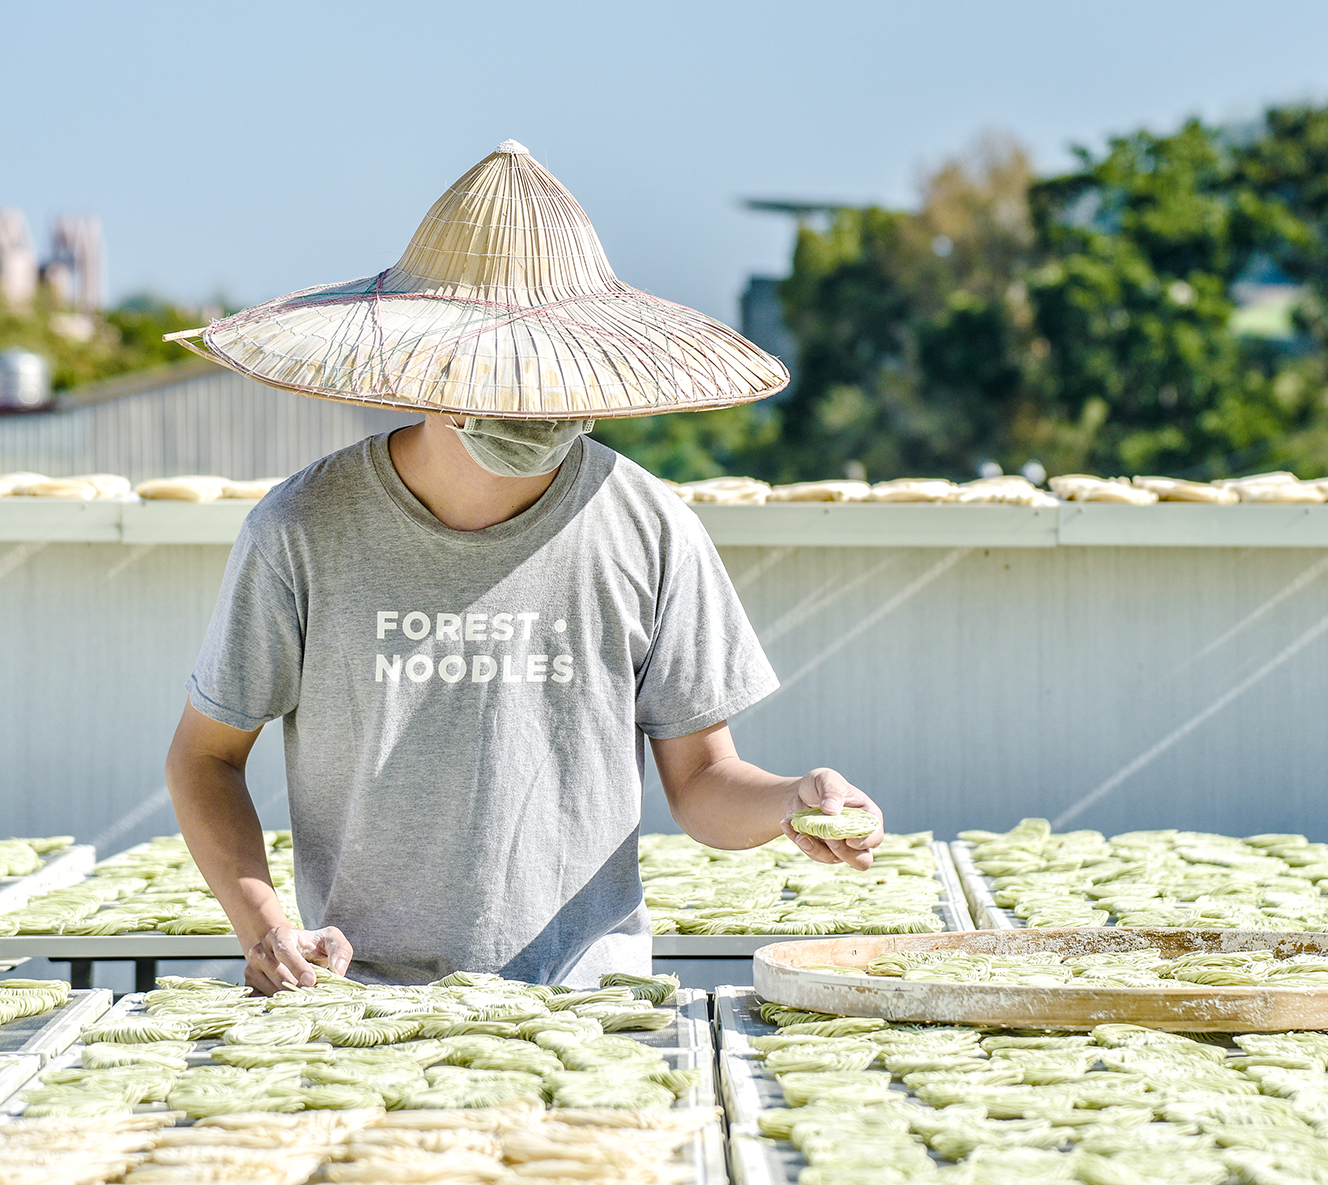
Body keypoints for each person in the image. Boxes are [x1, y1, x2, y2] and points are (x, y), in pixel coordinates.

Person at [163, 141, 881, 994]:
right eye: (496, 367)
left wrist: (792, 801)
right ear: (424, 357)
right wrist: (267, 926)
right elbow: (203, 758)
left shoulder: (650, 525)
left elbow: (703, 781)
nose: (527, 399)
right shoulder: (302, 529)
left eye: (547, 368)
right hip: (363, 993)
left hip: (591, 989)